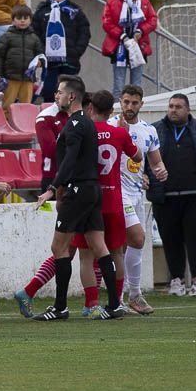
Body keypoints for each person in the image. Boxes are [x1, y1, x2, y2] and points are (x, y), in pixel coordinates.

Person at [31, 77, 125, 321]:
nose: (56, 95)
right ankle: (115, 304)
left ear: (71, 96)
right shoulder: (87, 123)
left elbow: (70, 160)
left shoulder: (74, 125)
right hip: (93, 190)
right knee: (99, 247)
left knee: (58, 247)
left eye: (60, 92)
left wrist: (53, 187)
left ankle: (60, 307)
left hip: (78, 190)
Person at [70, 90, 142, 318]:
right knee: (117, 253)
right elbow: (138, 157)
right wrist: (126, 133)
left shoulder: (85, 132)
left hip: (90, 201)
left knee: (86, 256)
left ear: (90, 108)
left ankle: (91, 303)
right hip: (113, 200)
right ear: (112, 111)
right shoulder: (119, 133)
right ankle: (116, 302)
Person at [148, 92, 196, 297]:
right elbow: (143, 159)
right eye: (171, 106)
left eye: (178, 106)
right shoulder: (154, 130)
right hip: (166, 197)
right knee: (170, 240)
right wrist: (147, 180)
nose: (174, 109)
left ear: (188, 109)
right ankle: (177, 281)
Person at [112, 85, 168, 313]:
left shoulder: (149, 131)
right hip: (117, 192)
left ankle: (123, 297)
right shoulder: (111, 126)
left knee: (130, 244)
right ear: (120, 102)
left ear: (141, 104)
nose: (129, 107)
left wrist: (160, 171)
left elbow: (156, 162)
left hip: (137, 194)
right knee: (137, 238)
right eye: (126, 102)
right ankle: (132, 294)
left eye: (134, 103)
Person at [102, 0, 157, 92]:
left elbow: (152, 20)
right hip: (118, 46)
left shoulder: (144, 1)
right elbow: (107, 23)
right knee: (118, 83)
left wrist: (140, 31)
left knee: (136, 84)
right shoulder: (111, 1)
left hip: (139, 45)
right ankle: (117, 108)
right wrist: (122, 36)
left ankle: (135, 108)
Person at [0, 4, 44, 110]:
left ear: (30, 20)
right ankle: (6, 121)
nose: (22, 21)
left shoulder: (35, 38)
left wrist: (40, 62)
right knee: (7, 103)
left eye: (25, 18)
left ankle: (24, 123)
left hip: (28, 78)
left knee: (26, 104)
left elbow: (41, 55)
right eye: (19, 18)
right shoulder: (7, 36)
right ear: (13, 20)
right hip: (11, 77)